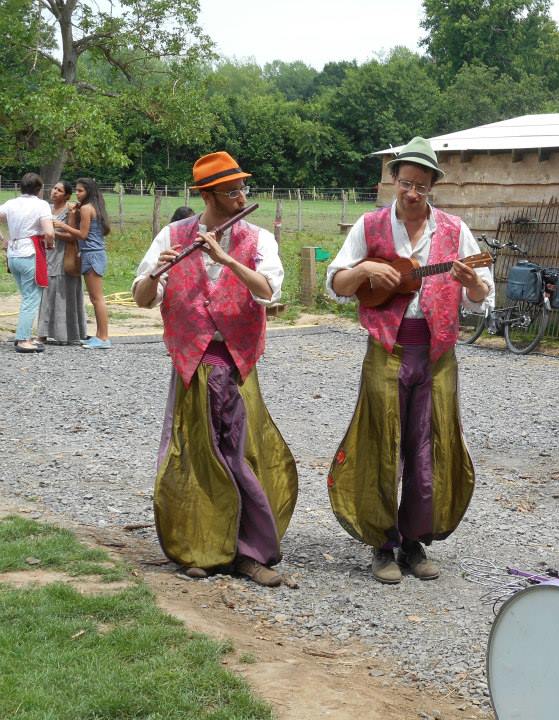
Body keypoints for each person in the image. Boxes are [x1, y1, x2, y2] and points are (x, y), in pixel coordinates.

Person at [326, 136, 494, 584]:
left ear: (433, 185)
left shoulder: (456, 232)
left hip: (437, 353)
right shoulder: (370, 226)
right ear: (393, 181)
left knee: (428, 450)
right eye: (405, 183)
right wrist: (363, 270)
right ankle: (382, 545)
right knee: (381, 443)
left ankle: (415, 542)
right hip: (385, 349)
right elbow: (338, 285)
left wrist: (472, 282)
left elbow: (481, 297)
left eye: (421, 185)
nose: (412, 193)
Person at [132, 150, 298, 588]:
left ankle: (249, 553)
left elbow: (268, 292)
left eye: (243, 187)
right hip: (192, 363)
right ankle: (200, 548)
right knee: (195, 458)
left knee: (240, 456)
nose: (242, 195)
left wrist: (226, 260)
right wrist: (158, 272)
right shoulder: (173, 234)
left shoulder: (258, 239)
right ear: (207, 195)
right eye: (231, 190)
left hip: (237, 364)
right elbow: (141, 298)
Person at [0, 172, 54, 353]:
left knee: (27, 296)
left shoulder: (11, 203)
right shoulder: (41, 205)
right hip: (30, 251)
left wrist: (3, 241)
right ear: (39, 189)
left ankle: (25, 334)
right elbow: (49, 232)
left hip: (13, 252)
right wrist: (50, 244)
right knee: (31, 298)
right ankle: (23, 339)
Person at [54, 177, 111, 349]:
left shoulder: (87, 208)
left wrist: (60, 225)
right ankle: (99, 335)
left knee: (97, 298)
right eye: (76, 190)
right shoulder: (94, 207)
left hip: (92, 255)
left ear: (89, 192)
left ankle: (103, 338)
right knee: (95, 298)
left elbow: (83, 235)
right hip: (93, 254)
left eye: (80, 191)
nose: (77, 194)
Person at [38, 181, 87, 345]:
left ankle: (66, 333)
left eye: (59, 190)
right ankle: (43, 332)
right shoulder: (47, 209)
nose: (55, 192)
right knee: (47, 292)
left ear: (67, 195)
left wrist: (54, 232)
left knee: (62, 292)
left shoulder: (70, 210)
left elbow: (73, 236)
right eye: (54, 188)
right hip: (48, 254)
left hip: (64, 255)